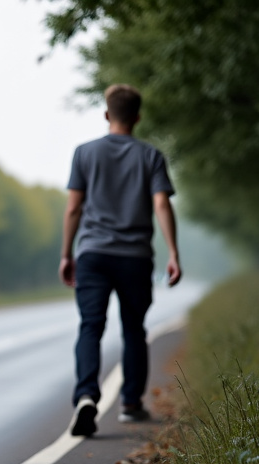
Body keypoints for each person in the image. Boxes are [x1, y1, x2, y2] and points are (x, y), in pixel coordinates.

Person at [60, 84, 181, 437]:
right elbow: (161, 204)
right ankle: (130, 404)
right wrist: (173, 252)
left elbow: (73, 207)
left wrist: (67, 254)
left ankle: (85, 395)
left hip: (93, 255)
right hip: (135, 258)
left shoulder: (84, 153)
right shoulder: (151, 156)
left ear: (106, 114)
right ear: (138, 117)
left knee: (90, 326)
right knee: (133, 330)